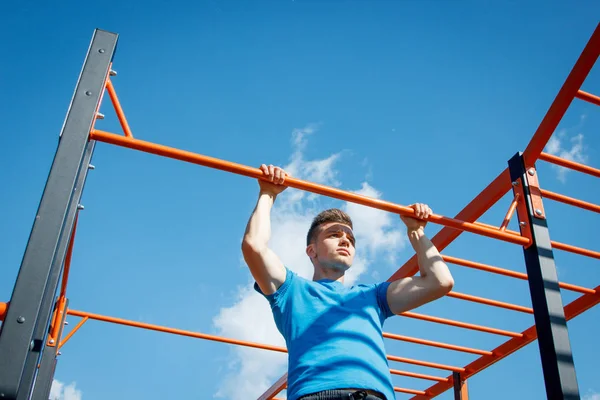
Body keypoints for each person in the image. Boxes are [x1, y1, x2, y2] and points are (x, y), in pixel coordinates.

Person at [242, 164, 454, 400]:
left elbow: (440, 282)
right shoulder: (292, 291)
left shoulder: (373, 297)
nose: (345, 241)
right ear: (311, 251)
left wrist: (417, 232)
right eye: (334, 235)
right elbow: (254, 246)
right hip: (315, 395)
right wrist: (268, 193)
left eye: (350, 239)